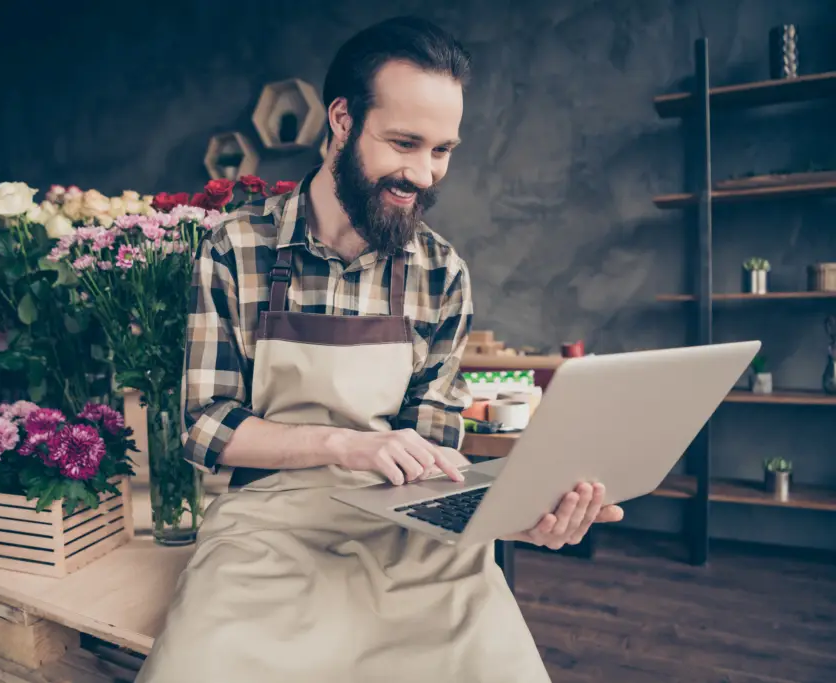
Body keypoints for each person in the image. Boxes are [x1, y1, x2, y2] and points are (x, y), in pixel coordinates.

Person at [136, 15, 623, 683]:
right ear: (340, 120)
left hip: (408, 527)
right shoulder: (237, 248)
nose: (423, 173)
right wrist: (343, 444)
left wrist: (516, 517)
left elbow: (433, 446)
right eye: (404, 142)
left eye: (442, 149)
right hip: (265, 530)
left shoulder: (441, 274)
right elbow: (205, 426)